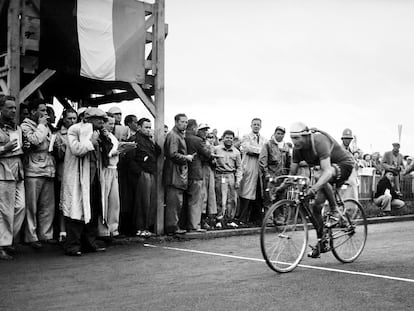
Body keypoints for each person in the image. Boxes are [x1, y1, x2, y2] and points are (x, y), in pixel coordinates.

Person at [289, 122, 354, 258]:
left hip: (344, 164)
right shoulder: (297, 149)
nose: (294, 142)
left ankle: (335, 209)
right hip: (328, 170)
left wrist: (314, 188)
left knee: (321, 176)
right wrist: (281, 186)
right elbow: (292, 175)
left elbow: (327, 172)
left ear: (305, 135)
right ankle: (322, 242)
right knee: (316, 208)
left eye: (297, 138)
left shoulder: (319, 141)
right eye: (292, 138)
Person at [60, 107, 108, 256]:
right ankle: (72, 246)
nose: (101, 121)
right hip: (78, 178)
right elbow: (77, 150)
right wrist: (90, 142)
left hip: (94, 178)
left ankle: (89, 243)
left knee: (93, 211)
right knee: (76, 212)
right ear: (87, 119)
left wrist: (105, 139)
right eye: (97, 118)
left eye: (103, 119)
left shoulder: (100, 132)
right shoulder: (74, 129)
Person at [21, 99, 56, 248]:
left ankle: (46, 234)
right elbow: (34, 141)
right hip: (33, 169)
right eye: (41, 110)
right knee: (32, 206)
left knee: (47, 205)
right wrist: (41, 125)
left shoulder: (46, 126)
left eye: (46, 111)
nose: (45, 114)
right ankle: (31, 236)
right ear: (33, 111)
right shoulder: (25, 126)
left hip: (48, 168)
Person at [0, 96, 25, 260]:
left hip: (17, 169)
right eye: (10, 108)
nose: (14, 111)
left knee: (20, 207)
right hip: (3, 169)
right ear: (1, 109)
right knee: (4, 211)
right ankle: (2, 245)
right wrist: (4, 148)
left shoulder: (17, 128)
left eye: (15, 108)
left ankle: (8, 239)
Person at [163, 113, 194, 235]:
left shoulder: (178, 135)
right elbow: (172, 154)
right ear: (176, 122)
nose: (185, 124)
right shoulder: (173, 136)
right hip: (174, 173)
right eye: (182, 122)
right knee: (174, 202)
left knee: (177, 201)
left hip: (177, 173)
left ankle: (174, 226)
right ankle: (172, 227)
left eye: (186, 122)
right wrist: (186, 157)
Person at [130, 117, 161, 237]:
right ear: (139, 127)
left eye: (149, 127)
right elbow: (130, 158)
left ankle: (147, 226)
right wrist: (139, 172)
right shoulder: (134, 139)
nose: (148, 130)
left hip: (151, 172)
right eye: (146, 127)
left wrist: (152, 139)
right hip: (142, 173)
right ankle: (140, 227)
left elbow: (158, 152)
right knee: (142, 202)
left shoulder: (149, 140)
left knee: (150, 202)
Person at [54, 108, 78, 242]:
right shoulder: (58, 135)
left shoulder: (80, 133)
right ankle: (62, 231)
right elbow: (58, 155)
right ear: (64, 119)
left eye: (74, 118)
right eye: (69, 118)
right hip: (63, 171)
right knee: (62, 203)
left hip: (76, 172)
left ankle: (73, 231)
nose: (72, 121)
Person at [183, 119, 212, 232]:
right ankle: (194, 225)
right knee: (195, 200)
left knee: (186, 200)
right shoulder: (197, 140)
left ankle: (185, 224)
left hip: (184, 173)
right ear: (194, 128)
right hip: (196, 173)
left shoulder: (183, 138)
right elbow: (208, 154)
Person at [237, 118, 267, 225]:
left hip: (259, 169)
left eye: (258, 125)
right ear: (251, 125)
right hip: (249, 168)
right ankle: (242, 219)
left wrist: (258, 151)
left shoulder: (264, 139)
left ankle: (256, 219)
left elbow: (264, 151)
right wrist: (261, 151)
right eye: (254, 124)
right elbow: (248, 149)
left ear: (261, 126)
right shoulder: (246, 136)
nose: (256, 126)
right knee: (246, 193)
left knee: (258, 194)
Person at [97, 116, 121, 239]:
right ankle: (103, 230)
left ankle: (113, 227)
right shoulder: (101, 136)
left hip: (114, 169)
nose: (112, 126)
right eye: (109, 123)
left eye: (113, 124)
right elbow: (105, 152)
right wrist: (113, 152)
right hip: (105, 169)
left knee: (114, 200)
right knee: (104, 200)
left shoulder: (113, 136)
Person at [214, 130, 242, 229]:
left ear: (233, 140)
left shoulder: (237, 152)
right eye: (227, 137)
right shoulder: (216, 149)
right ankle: (219, 219)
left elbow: (239, 168)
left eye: (231, 138)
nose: (229, 139)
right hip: (220, 175)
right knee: (220, 198)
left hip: (231, 176)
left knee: (232, 199)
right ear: (223, 138)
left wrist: (238, 180)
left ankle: (230, 219)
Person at [259, 125, 291, 202]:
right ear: (274, 133)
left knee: (280, 201)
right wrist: (267, 174)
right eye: (278, 133)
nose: (280, 135)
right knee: (269, 201)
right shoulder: (268, 145)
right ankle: (269, 214)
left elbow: (289, 162)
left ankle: (279, 214)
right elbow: (262, 161)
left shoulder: (286, 147)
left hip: (282, 178)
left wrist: (288, 176)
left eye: (282, 134)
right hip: (271, 178)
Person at [198, 124, 218, 230]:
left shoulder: (210, 145)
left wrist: (213, 160)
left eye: (206, 130)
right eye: (203, 130)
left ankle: (207, 220)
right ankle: (200, 220)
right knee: (203, 195)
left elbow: (213, 160)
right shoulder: (200, 142)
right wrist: (210, 157)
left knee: (210, 195)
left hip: (209, 170)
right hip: (202, 169)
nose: (205, 133)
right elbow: (204, 156)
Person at [339, 128, 359, 200]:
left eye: (349, 139)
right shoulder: (339, 149)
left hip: (350, 175)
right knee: (341, 195)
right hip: (342, 175)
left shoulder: (350, 150)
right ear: (342, 139)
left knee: (351, 193)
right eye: (346, 138)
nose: (348, 140)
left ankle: (351, 208)